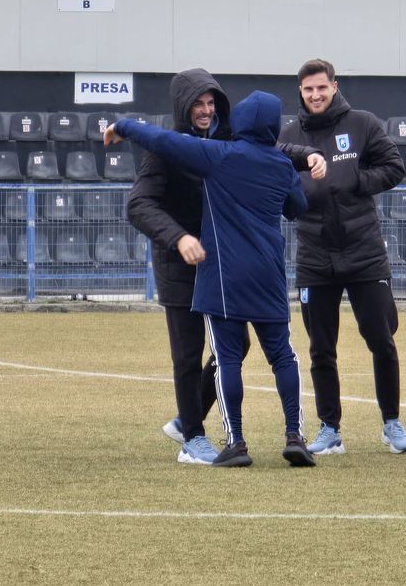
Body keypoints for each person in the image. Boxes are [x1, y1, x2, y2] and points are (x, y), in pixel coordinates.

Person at [127, 68, 326, 466]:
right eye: (197, 104)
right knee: (188, 353)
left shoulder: (226, 141)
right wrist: (179, 237)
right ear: (183, 107)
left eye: (211, 103)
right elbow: (138, 205)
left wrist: (308, 156)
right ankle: (195, 437)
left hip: (223, 262)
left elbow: (268, 151)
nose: (205, 110)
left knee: (235, 348)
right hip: (181, 260)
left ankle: (190, 420)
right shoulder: (164, 150)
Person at [278, 58, 406, 457]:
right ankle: (329, 428)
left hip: (364, 252)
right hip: (314, 255)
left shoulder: (362, 124)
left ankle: (391, 423)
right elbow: (279, 181)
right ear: (300, 93)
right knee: (321, 347)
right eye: (308, 90)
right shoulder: (288, 134)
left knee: (381, 339)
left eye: (322, 87)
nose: (316, 95)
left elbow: (394, 168)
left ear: (334, 87)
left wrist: (355, 179)